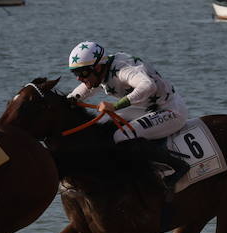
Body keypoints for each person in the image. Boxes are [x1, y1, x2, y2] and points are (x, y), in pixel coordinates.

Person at [66, 41, 189, 189]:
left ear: (97, 68)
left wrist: (115, 106)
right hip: (145, 108)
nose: (78, 78)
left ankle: (179, 166)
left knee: (121, 136)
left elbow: (149, 86)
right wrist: (69, 100)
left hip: (170, 111)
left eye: (82, 73)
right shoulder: (102, 70)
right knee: (99, 125)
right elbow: (89, 87)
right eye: (75, 73)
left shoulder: (122, 70)